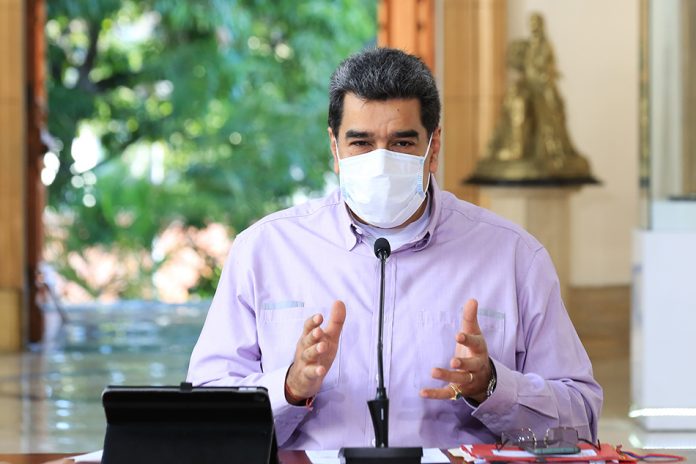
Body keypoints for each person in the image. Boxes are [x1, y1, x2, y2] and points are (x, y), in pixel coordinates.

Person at [187, 47, 602, 450]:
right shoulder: (264, 251)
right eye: (361, 143)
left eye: (402, 143)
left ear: (433, 147)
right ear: (334, 147)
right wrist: (290, 386)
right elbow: (202, 416)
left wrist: (492, 386)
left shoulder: (514, 257)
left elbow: (582, 418)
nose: (380, 162)